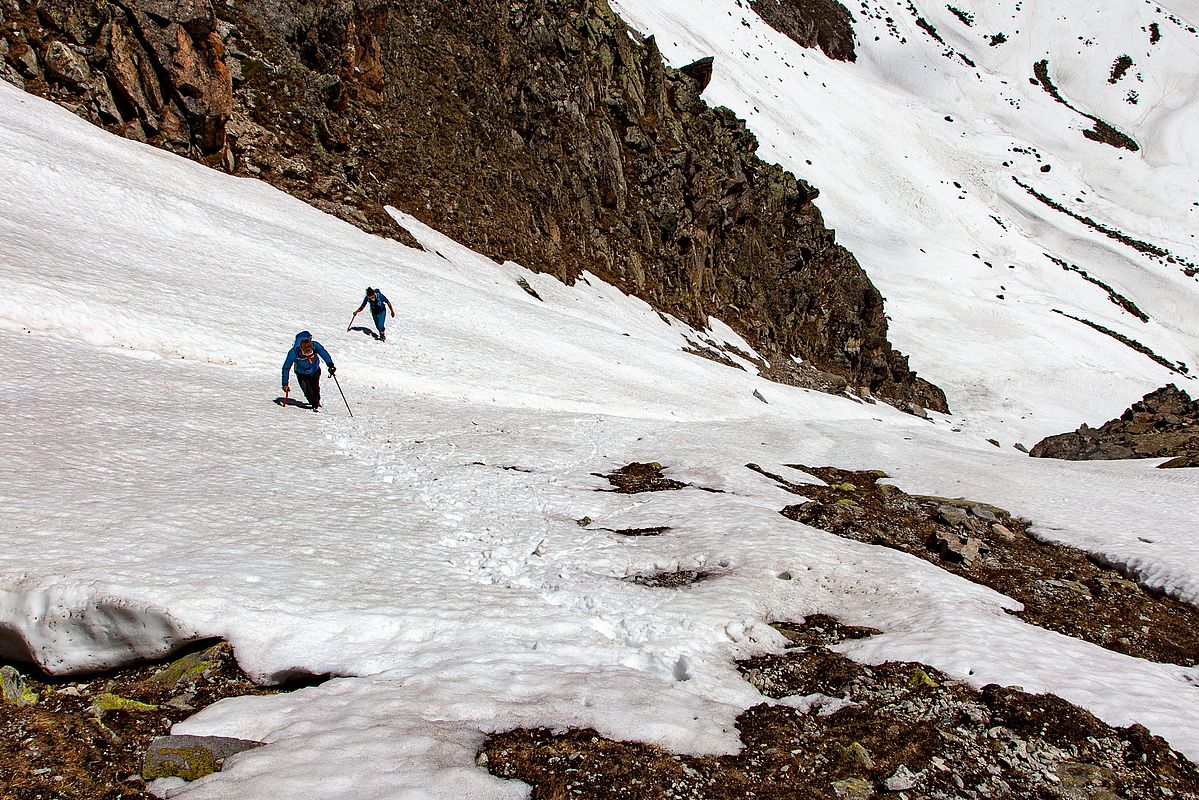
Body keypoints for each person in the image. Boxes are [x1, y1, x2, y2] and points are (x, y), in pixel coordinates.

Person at [282, 331, 336, 412]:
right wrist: (285, 384)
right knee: (308, 391)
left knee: (315, 388)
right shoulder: (293, 353)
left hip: (315, 370)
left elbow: (323, 353)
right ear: (301, 349)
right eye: (305, 353)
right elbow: (286, 368)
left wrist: (330, 365)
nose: (308, 355)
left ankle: (316, 404)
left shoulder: (315, 345)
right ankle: (314, 403)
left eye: (310, 352)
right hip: (301, 373)